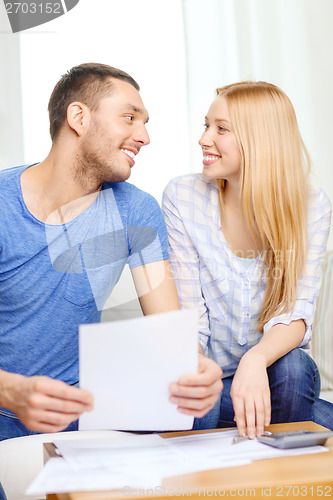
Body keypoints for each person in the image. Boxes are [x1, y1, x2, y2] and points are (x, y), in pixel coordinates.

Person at [0, 63, 222, 441]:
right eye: (130, 118)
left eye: (145, 122)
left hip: (84, 405)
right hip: (6, 404)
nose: (145, 136)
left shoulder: (137, 210)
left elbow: (168, 332)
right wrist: (13, 391)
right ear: (79, 117)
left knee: (202, 409)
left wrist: (196, 369)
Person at [162, 81, 333, 439]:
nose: (204, 139)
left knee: (295, 369)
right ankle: (286, 439)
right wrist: (200, 370)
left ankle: (276, 477)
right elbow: (189, 317)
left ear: (261, 140)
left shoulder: (311, 206)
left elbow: (296, 313)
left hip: (277, 379)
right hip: (216, 384)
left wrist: (254, 360)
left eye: (221, 129)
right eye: (206, 125)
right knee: (200, 398)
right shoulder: (183, 197)